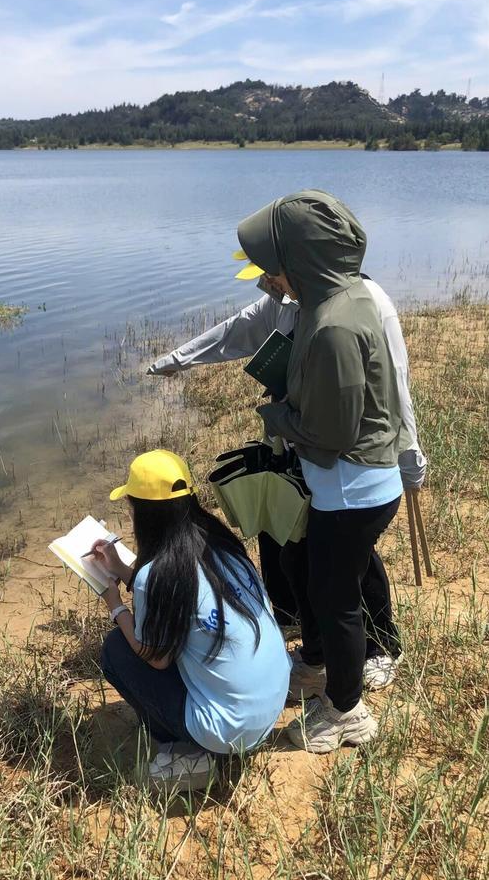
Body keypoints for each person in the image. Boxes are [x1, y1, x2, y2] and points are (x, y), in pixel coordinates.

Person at [148, 250, 426, 698]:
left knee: (352, 560)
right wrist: (179, 358)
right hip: (301, 454)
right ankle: (315, 648)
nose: (267, 286)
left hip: (351, 464)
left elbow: (396, 380)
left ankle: (380, 647)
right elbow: (236, 330)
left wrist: (409, 455)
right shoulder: (286, 300)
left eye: (270, 276)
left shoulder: (365, 300)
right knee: (297, 552)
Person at [93, 449, 290, 791]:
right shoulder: (221, 545)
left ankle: (187, 752)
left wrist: (116, 607)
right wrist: (122, 570)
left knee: (116, 650)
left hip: (230, 731)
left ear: (142, 514)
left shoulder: (158, 574)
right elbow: (179, 597)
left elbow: (155, 657)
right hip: (270, 706)